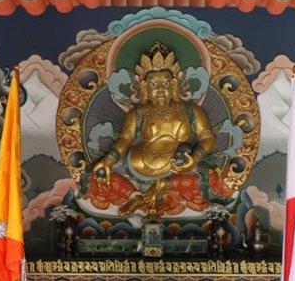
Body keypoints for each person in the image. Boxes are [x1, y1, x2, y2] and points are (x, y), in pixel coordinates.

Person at [92, 43, 215, 217]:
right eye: (154, 85)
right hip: (135, 167)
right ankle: (142, 194)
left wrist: (194, 158)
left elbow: (208, 138)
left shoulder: (190, 110)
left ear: (173, 83)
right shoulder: (139, 112)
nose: (160, 90)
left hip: (178, 168)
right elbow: (125, 139)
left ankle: (154, 191)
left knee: (210, 180)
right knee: (96, 178)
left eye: (165, 83)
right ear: (144, 87)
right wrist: (108, 161)